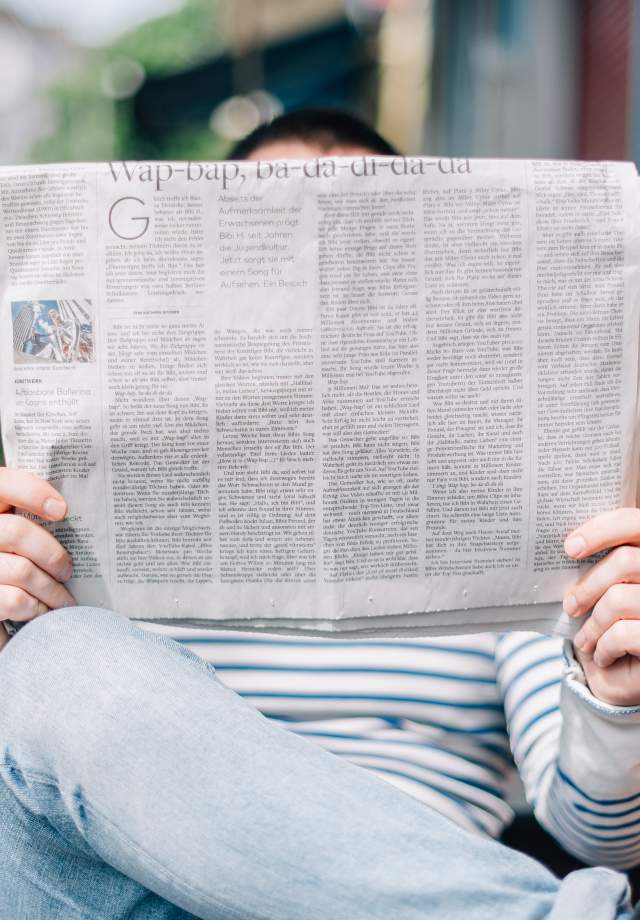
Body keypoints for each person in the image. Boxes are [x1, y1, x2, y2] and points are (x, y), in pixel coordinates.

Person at [1, 109, 640, 920]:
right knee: (56, 659)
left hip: (413, 889)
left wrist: (617, 702)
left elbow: (601, 835)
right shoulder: (66, 505)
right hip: (127, 893)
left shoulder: (516, 510)